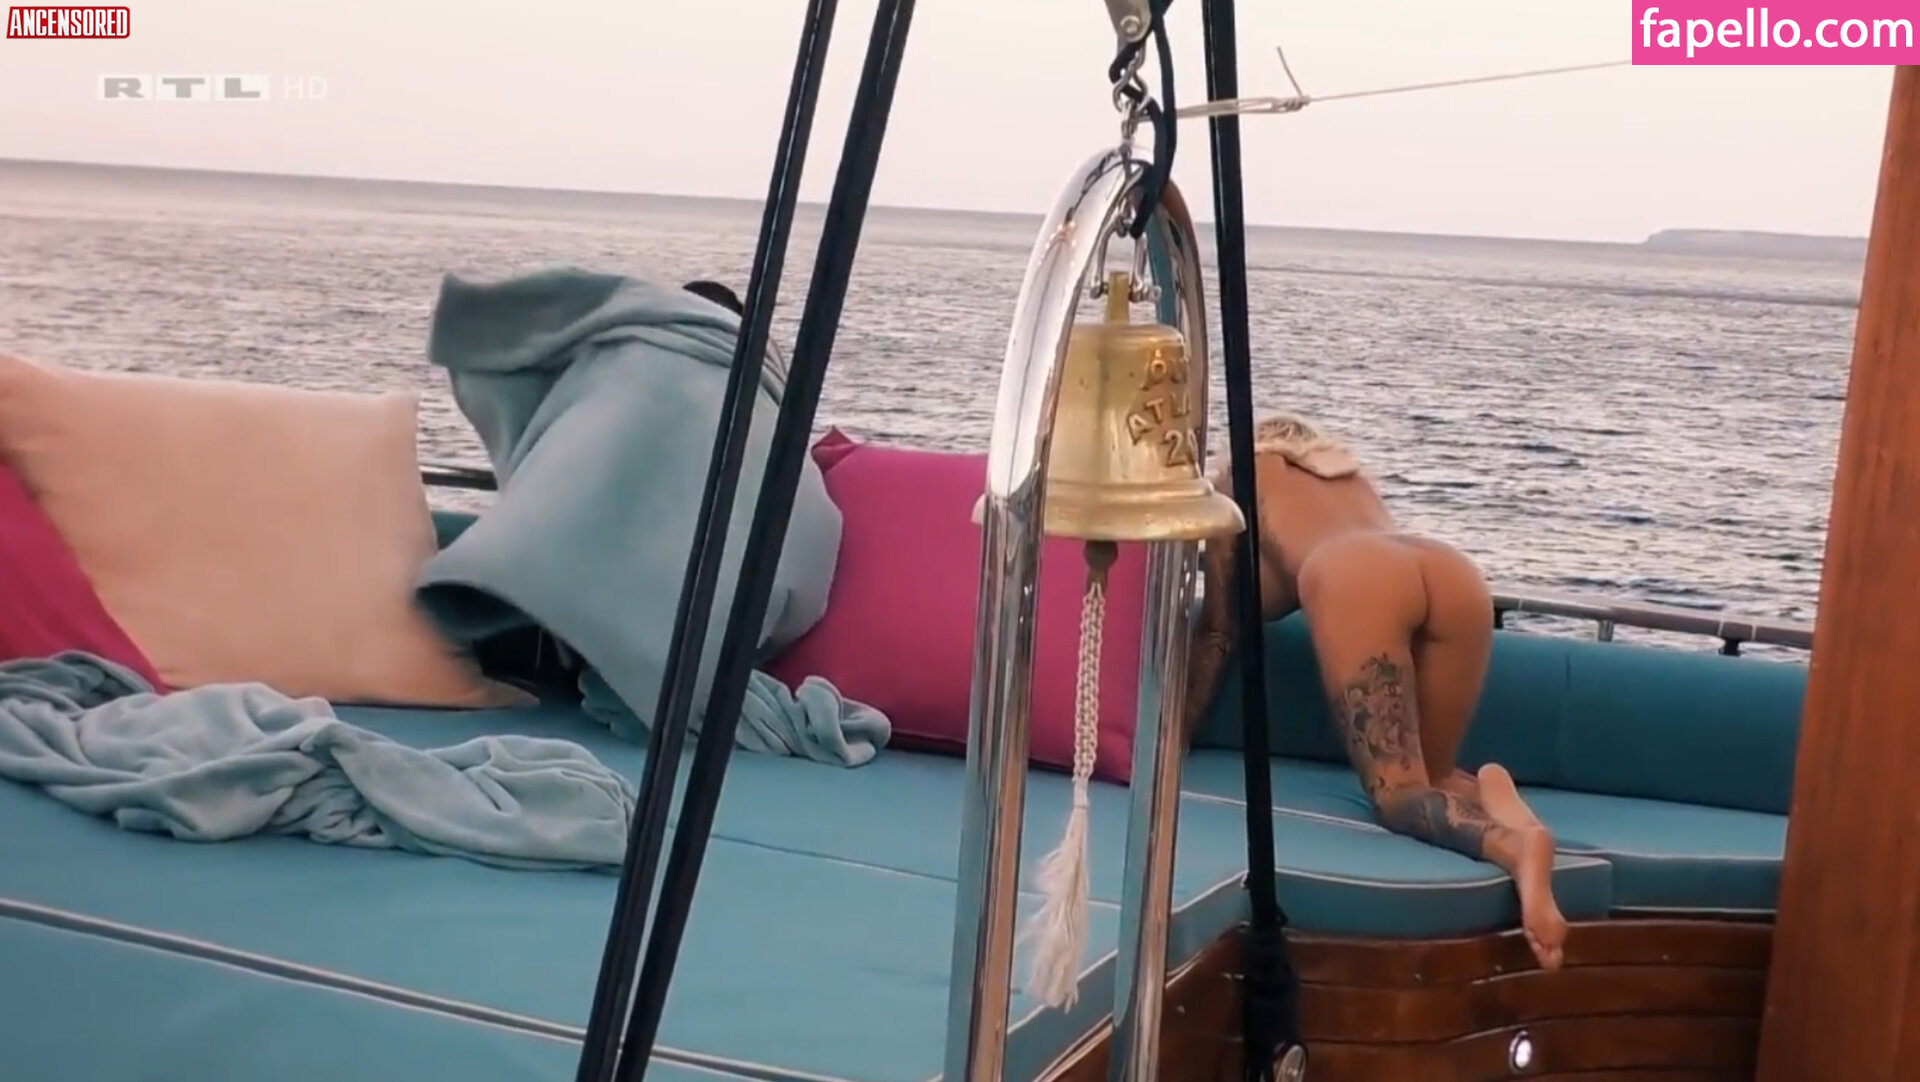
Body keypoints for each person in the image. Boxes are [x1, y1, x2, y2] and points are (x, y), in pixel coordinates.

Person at [1182, 413, 1567, 970]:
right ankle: (1496, 801)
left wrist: (1171, 737)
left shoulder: (1237, 479)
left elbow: (1219, 633)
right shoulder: (1346, 477)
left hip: (1357, 576)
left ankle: (1516, 848)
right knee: (1434, 779)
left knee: (1399, 797)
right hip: (1449, 571)